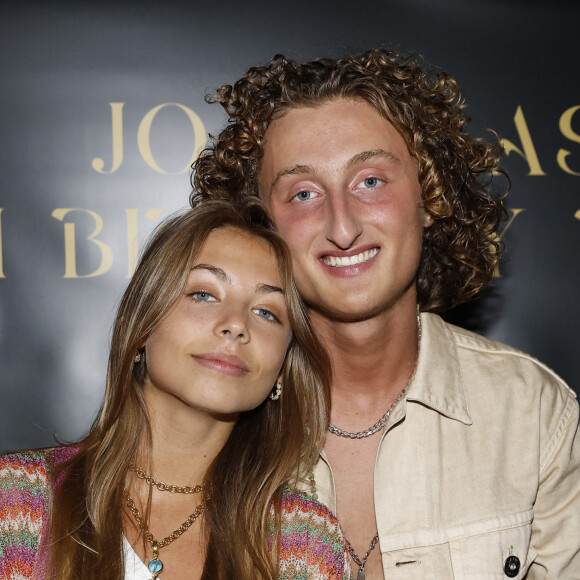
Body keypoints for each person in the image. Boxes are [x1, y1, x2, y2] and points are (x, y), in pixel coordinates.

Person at [191, 50, 580, 579]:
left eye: (370, 181)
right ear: (263, 226)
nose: (342, 226)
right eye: (303, 193)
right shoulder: (211, 419)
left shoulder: (532, 414)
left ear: (429, 196)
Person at [0, 199, 352, 579]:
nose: (236, 324)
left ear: (282, 370)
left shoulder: (305, 545)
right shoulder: (16, 501)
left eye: (267, 312)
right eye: (204, 294)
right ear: (142, 326)